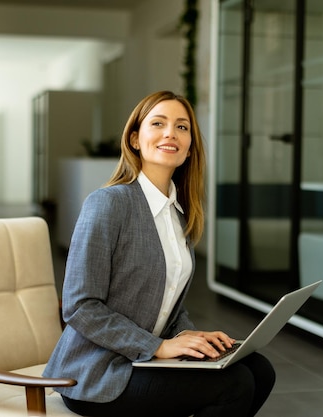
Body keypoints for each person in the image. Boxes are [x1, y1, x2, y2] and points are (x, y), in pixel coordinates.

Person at [43, 90, 275, 417]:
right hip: (97, 371)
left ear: (190, 147)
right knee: (235, 385)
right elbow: (80, 306)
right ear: (136, 139)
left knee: (259, 369)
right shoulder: (108, 204)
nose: (170, 133)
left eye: (182, 127)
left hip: (144, 358)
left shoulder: (179, 214)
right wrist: (160, 347)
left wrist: (189, 336)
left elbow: (163, 300)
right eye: (158, 123)